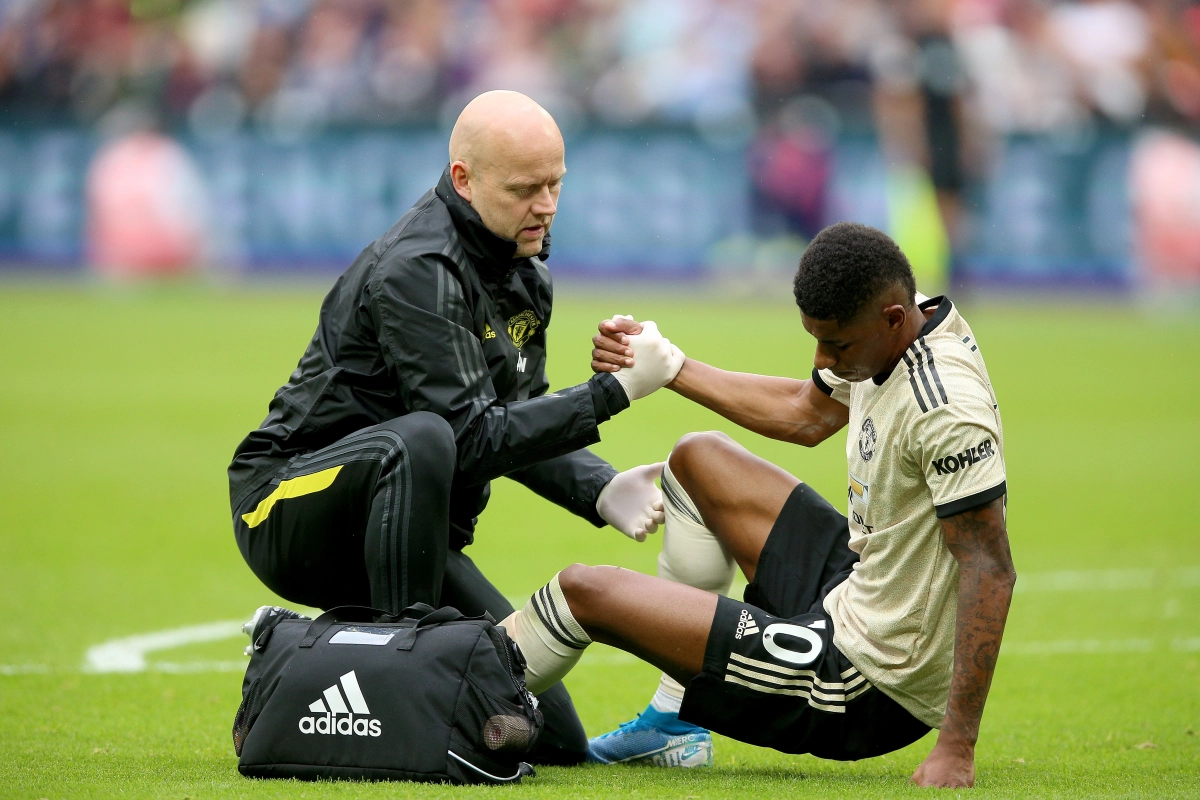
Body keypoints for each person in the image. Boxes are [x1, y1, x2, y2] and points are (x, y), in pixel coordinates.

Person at [226, 90, 682, 766]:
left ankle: (340, 653)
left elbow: (514, 417)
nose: (548, 205)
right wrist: (611, 393)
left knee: (551, 735)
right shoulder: (417, 266)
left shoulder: (525, 269)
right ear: (463, 180)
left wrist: (600, 487)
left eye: (557, 183)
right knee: (426, 437)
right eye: (527, 188)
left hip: (401, 533)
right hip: (286, 504)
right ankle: (397, 674)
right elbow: (470, 437)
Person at [499, 222, 1016, 787]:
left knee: (584, 592)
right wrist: (669, 367)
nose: (822, 358)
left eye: (836, 345)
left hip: (870, 680)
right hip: (859, 586)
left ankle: (454, 704)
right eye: (814, 339)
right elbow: (807, 411)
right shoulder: (899, 320)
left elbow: (990, 568)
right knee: (699, 460)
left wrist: (957, 747)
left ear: (892, 319)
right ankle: (674, 726)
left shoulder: (945, 410)